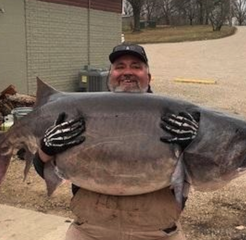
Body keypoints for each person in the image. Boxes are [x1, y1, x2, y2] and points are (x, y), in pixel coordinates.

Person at [33, 43, 199, 240]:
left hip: (157, 233)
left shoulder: (176, 118)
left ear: (149, 76)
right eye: (120, 66)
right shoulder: (78, 114)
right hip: (90, 231)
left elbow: (205, 175)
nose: (127, 72)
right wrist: (46, 148)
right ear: (109, 76)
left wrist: (197, 145)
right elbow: (43, 168)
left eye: (136, 66)